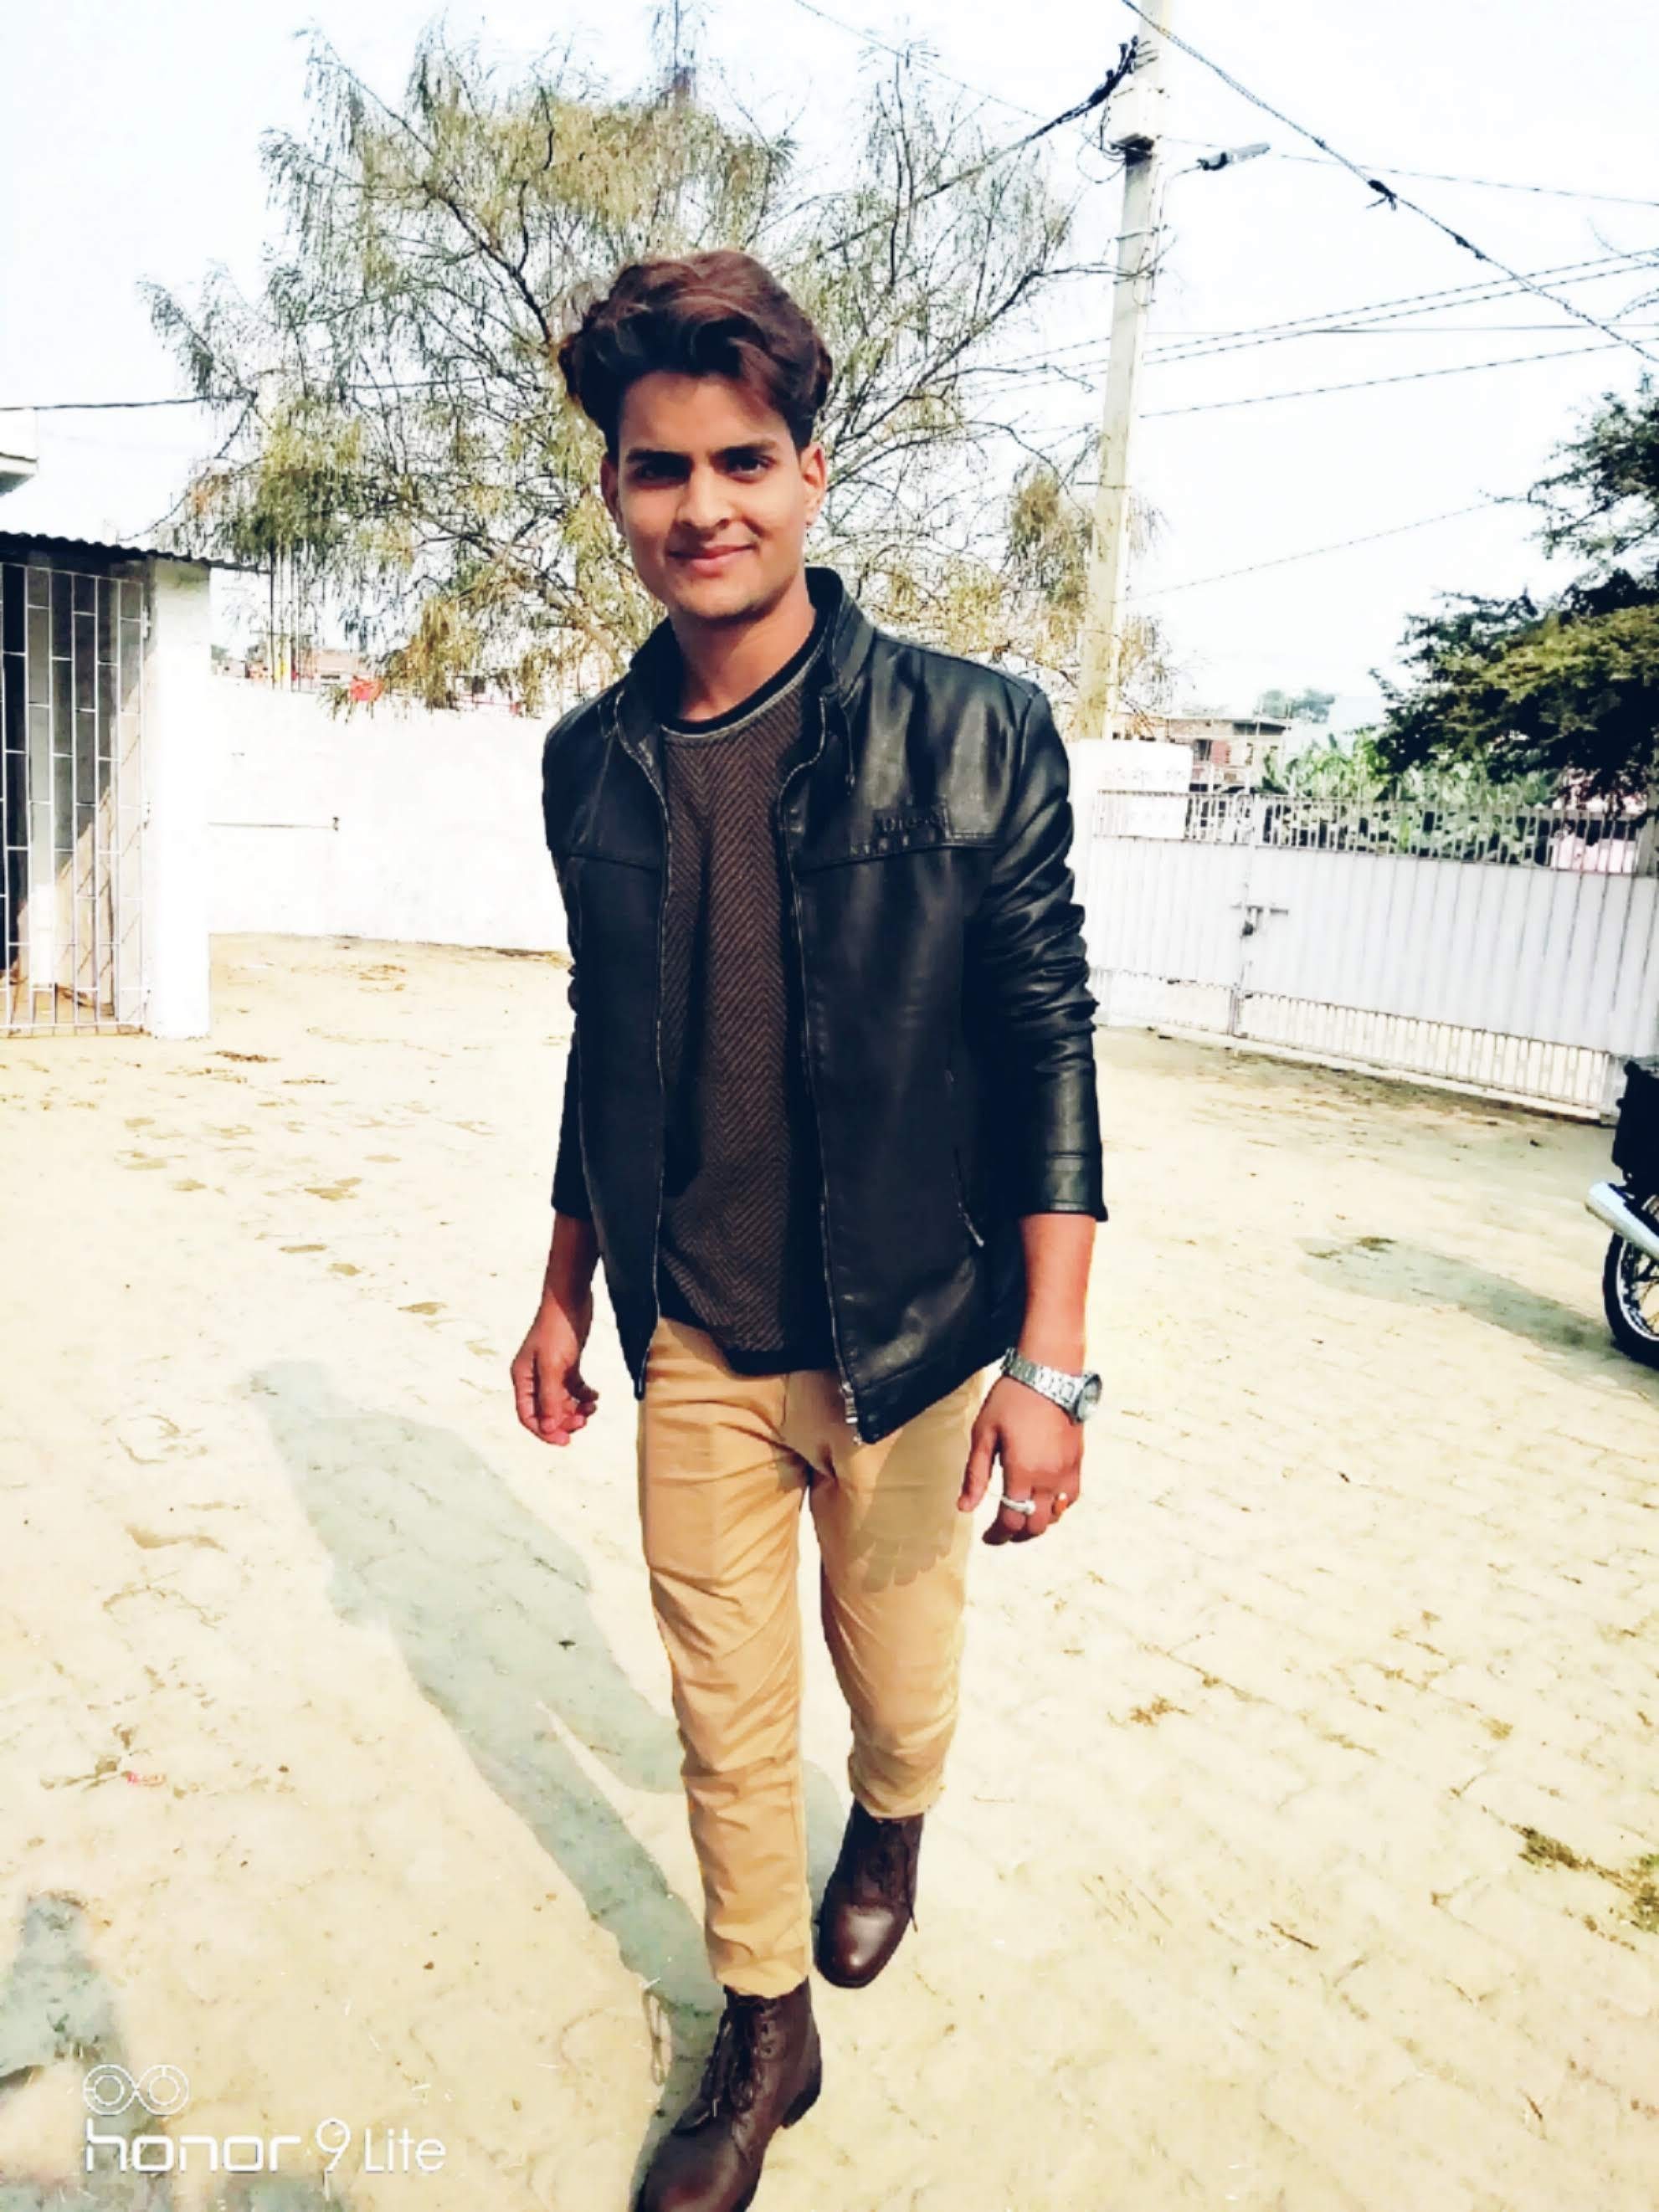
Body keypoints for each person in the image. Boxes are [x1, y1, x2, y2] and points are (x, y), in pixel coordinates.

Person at [511, 248, 1107, 2212]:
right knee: (721, 1705)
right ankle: (765, 2023)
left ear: (812, 471)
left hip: (913, 1332)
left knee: (899, 1665)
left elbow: (1045, 1034)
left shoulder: (975, 729)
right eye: (659, 467)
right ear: (614, 487)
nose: (705, 505)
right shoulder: (588, 761)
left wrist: (1050, 1363)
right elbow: (603, 1030)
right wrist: (562, 1289)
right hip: (693, 1328)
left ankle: (897, 1813)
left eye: (742, 460)